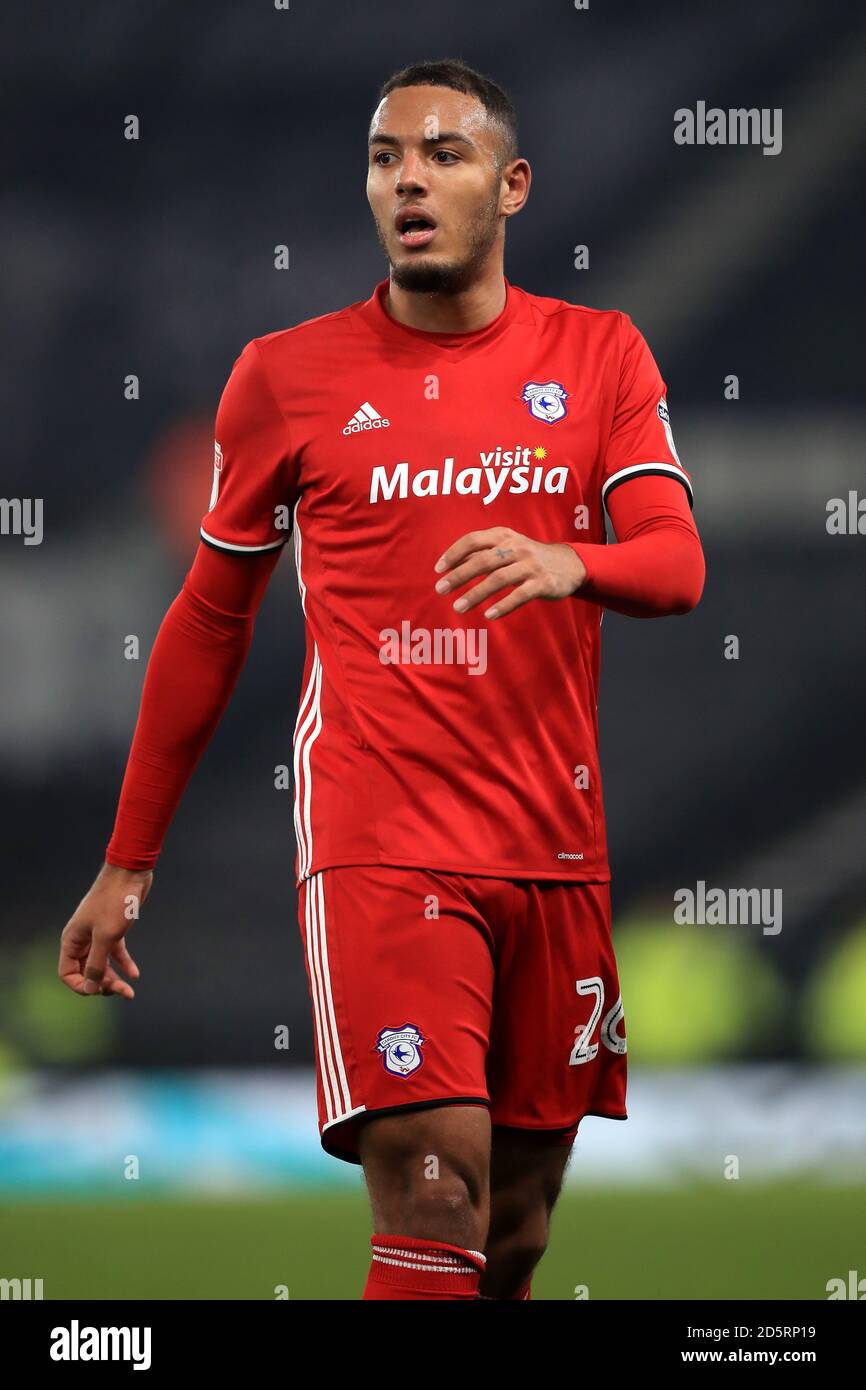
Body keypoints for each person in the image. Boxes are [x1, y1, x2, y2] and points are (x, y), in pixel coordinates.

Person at [59, 57, 704, 1301]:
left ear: (511, 186)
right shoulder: (286, 378)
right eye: (383, 157)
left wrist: (569, 560)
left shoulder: (601, 355)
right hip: (380, 833)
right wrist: (129, 858)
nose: (407, 179)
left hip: (552, 839)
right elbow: (207, 619)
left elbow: (676, 566)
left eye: (443, 155)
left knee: (511, 1224)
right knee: (434, 1184)